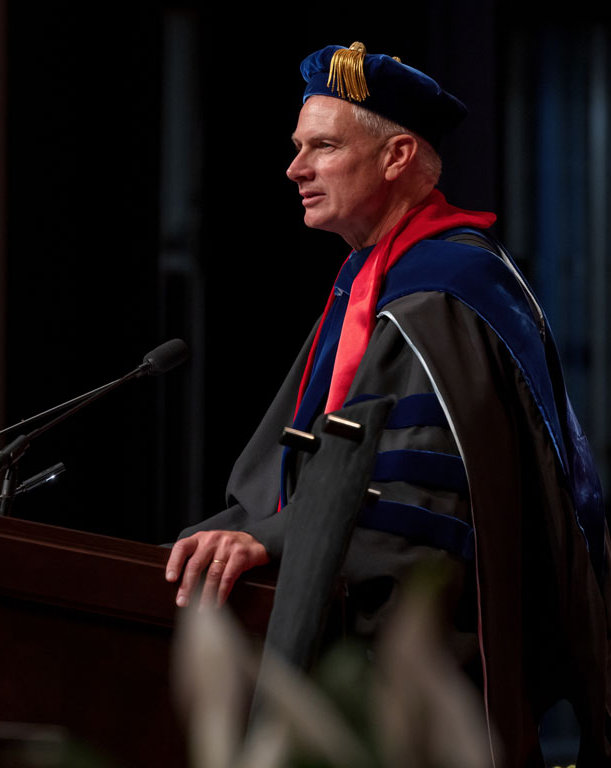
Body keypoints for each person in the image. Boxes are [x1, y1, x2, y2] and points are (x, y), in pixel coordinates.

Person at [164, 41, 611, 766]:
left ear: (398, 155)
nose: (295, 168)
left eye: (323, 147)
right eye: (297, 147)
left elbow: (419, 510)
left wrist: (272, 541)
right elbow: (308, 473)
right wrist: (233, 533)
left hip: (409, 690)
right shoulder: (371, 281)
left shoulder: (444, 292)